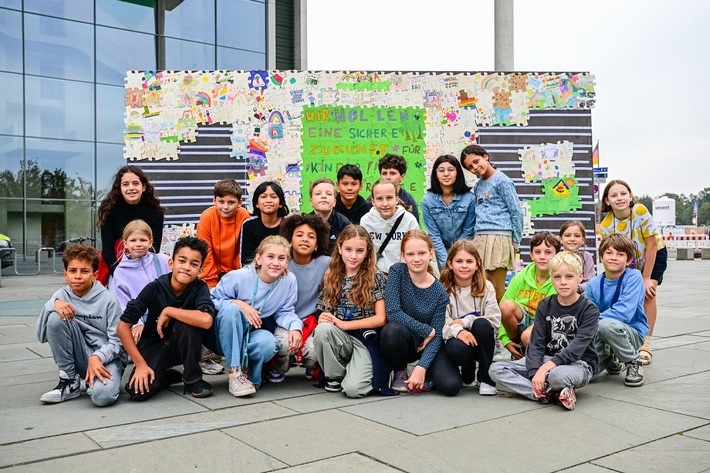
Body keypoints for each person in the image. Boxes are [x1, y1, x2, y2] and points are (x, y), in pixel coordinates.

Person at [489, 251, 600, 410]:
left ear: (580, 277)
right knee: (496, 369)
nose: (563, 282)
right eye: (557, 277)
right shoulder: (545, 305)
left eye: (569, 277)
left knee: (556, 376)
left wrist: (544, 369)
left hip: (579, 364)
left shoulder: (589, 310)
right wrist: (535, 374)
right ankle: (551, 394)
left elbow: (576, 349)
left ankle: (550, 386)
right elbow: (536, 343)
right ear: (551, 278)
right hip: (546, 358)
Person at [117, 237, 216, 400]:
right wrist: (140, 364)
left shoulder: (199, 287)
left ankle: (192, 379)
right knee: (137, 392)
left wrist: (170, 311)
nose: (186, 267)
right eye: (182, 261)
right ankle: (165, 376)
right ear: (171, 263)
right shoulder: (154, 288)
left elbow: (206, 320)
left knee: (188, 324)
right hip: (154, 344)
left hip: (183, 346)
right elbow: (122, 327)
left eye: (194, 264)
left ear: (200, 270)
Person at [210, 236, 302, 397]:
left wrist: (295, 327)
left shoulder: (289, 280)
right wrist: (239, 304)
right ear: (259, 258)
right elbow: (212, 299)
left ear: (287, 262)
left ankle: (252, 375)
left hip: (252, 333)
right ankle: (235, 373)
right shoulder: (238, 277)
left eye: (282, 258)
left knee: (268, 342)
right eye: (270, 257)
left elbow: (285, 310)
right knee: (232, 310)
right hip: (225, 334)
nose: (276, 263)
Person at [36, 245, 126, 406]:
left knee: (102, 397)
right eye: (72, 271)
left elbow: (118, 342)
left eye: (84, 271)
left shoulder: (109, 301)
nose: (77, 276)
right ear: (65, 274)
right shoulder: (60, 296)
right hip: (81, 355)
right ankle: (70, 381)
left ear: (95, 275)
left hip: (105, 359)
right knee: (55, 318)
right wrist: (52, 304)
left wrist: (98, 356)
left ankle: (90, 382)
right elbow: (41, 335)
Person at [312, 225, 389, 397]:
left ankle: (358, 370)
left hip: (364, 339)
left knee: (354, 390)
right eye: (348, 249)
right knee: (322, 329)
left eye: (359, 251)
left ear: (367, 251)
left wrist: (346, 325)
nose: (353, 256)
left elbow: (381, 318)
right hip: (340, 337)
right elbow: (325, 310)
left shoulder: (374, 276)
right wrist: (324, 317)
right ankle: (335, 376)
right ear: (339, 248)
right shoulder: (333, 274)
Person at [380, 230, 459, 396]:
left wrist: (421, 367)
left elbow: (437, 336)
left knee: (451, 386)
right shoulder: (397, 272)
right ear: (403, 255)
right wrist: (427, 330)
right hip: (403, 342)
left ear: (431, 253)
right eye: (410, 254)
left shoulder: (439, 292)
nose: (416, 259)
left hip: (427, 345)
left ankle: (427, 371)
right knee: (391, 330)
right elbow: (393, 312)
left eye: (422, 253)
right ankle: (400, 371)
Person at [600, 180, 666, 365]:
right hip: (627, 260)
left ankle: (646, 345)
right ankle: (623, 339)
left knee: (648, 293)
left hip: (653, 254)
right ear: (607, 200)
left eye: (623, 193)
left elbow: (652, 245)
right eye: (614, 195)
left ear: (630, 196)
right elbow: (610, 250)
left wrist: (646, 278)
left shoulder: (640, 211)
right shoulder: (606, 224)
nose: (619, 198)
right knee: (626, 294)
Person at [270, 213, 331, 382]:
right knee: (281, 343)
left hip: (313, 322)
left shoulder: (326, 263)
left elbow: (345, 261)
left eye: (311, 237)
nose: (305, 239)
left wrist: (334, 269)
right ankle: (281, 365)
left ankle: (313, 365)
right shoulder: (281, 264)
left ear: (317, 245)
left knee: (313, 349)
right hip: (285, 321)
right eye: (299, 235)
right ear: (289, 241)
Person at [460, 145, 523, 301]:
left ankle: (501, 324)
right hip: (480, 237)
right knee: (482, 285)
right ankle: (485, 323)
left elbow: (516, 211)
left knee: (496, 287)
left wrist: (516, 240)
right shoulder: (478, 186)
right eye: (470, 166)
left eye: (476, 161)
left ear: (485, 156)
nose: (475, 167)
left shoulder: (502, 181)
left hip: (499, 236)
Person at [586, 234, 648, 387]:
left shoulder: (633, 277)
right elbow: (586, 313)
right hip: (601, 331)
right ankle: (611, 358)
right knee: (587, 374)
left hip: (631, 332)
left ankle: (632, 361)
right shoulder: (593, 283)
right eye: (609, 253)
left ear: (628, 260)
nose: (614, 257)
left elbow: (624, 313)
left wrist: (592, 322)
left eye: (620, 254)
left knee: (606, 325)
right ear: (601, 256)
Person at [440, 240, 501, 396]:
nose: (464, 265)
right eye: (459, 261)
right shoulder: (442, 288)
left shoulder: (486, 286)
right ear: (450, 263)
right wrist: (459, 330)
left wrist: (466, 321)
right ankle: (467, 372)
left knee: (481, 324)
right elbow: (442, 321)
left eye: (469, 261)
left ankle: (486, 378)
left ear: (477, 263)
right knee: (455, 348)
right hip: (456, 338)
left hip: (481, 340)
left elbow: (493, 320)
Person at [96, 165, 164, 286]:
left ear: (143, 187)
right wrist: (118, 275)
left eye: (135, 183)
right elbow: (107, 250)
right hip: (117, 266)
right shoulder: (109, 211)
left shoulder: (156, 213)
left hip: (145, 266)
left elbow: (154, 248)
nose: (131, 188)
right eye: (125, 184)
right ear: (119, 188)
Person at [499, 231, 561, 359]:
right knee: (506, 306)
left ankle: (537, 357)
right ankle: (517, 347)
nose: (542, 257)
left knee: (528, 336)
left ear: (556, 255)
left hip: (545, 324)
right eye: (538, 252)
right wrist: (505, 340)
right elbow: (502, 308)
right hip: (522, 322)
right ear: (531, 255)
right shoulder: (520, 277)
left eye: (548, 252)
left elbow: (550, 316)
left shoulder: (559, 279)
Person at [111, 219, 170, 344]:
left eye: (143, 240)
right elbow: (123, 303)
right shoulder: (120, 272)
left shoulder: (163, 260)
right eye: (133, 240)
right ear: (125, 243)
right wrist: (136, 323)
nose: (138, 244)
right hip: (141, 321)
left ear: (150, 242)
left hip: (169, 315)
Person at [421, 155, 475, 270]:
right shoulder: (427, 200)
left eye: (451, 170)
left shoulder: (469, 198)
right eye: (441, 170)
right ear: (435, 174)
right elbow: (434, 235)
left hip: (465, 249)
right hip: (441, 252)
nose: (446, 174)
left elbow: (468, 231)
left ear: (458, 173)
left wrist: (456, 257)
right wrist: (447, 261)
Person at [197, 179, 251, 288]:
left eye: (231, 202)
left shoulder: (246, 217)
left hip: (238, 274)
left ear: (239, 203)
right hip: (211, 274)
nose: (225, 207)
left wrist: (238, 277)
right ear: (214, 200)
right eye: (221, 202)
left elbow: (244, 252)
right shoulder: (207, 217)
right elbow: (205, 250)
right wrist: (211, 283)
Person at [361, 179, 419, 275]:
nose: (385, 204)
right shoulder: (366, 221)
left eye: (389, 198)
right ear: (373, 201)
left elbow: (416, 248)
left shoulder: (409, 220)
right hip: (376, 273)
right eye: (379, 199)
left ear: (397, 199)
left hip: (404, 273)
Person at [240, 181, 289, 266]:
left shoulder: (289, 225)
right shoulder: (249, 225)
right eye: (263, 197)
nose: (268, 200)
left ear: (281, 203)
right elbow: (245, 259)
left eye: (273, 197)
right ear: (256, 204)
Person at [367, 153, 420, 222]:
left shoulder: (408, 200)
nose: (388, 177)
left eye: (392, 173)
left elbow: (414, 229)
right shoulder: (372, 199)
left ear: (402, 176)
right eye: (384, 173)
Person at [308, 177, 350, 253]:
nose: (323, 196)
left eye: (329, 194)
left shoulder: (344, 223)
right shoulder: (305, 223)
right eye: (318, 193)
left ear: (334, 202)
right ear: (311, 201)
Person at [559, 220, 596, 293]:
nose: (572, 239)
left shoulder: (586, 257)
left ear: (583, 240)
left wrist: (574, 288)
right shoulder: (556, 258)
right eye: (567, 235)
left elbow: (590, 282)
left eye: (577, 236)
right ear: (560, 239)